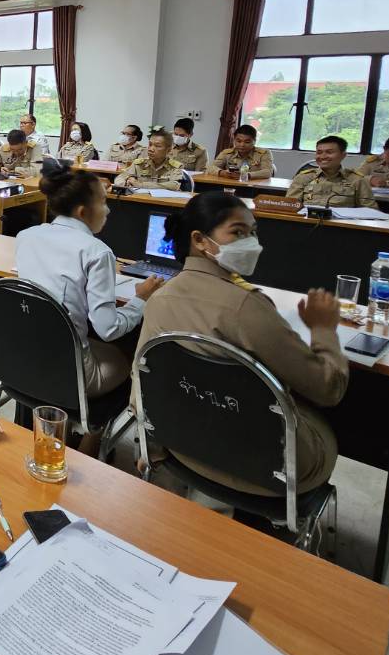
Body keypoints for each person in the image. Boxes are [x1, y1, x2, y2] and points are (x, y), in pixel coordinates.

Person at [136, 191, 348, 494]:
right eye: (238, 233)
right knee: (322, 416)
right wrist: (324, 330)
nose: (251, 243)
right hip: (260, 468)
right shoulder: (245, 306)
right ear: (199, 240)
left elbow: (142, 384)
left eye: (253, 233)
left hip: (183, 446)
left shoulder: (159, 297)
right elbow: (328, 388)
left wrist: (152, 448)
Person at [16, 163, 161, 404]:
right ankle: (91, 436)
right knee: (129, 354)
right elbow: (108, 329)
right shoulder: (96, 252)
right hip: (70, 369)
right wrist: (140, 299)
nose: (108, 211)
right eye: (103, 202)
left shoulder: (26, 236)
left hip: (25, 354)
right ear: (83, 212)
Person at [286, 136, 377, 208]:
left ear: (343, 155)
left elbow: (370, 211)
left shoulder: (357, 180)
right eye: (319, 152)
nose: (323, 156)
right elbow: (289, 206)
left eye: (329, 152)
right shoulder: (303, 178)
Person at [114, 129, 184, 190]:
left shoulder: (175, 167)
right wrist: (127, 181)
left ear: (168, 150)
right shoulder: (139, 164)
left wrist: (141, 185)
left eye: (157, 146)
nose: (151, 149)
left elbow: (174, 185)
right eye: (150, 144)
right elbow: (119, 179)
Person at [207, 124, 274, 181]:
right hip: (230, 185)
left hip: (254, 186)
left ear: (254, 141)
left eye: (247, 142)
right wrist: (222, 172)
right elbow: (211, 167)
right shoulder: (227, 153)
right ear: (234, 140)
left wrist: (246, 175)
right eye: (238, 141)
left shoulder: (264, 153)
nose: (242, 145)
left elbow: (267, 172)